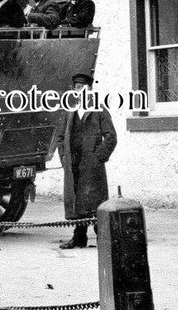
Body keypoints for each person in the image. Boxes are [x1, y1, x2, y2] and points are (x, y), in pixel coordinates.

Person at [58, 72, 117, 249]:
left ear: (90, 90)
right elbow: (61, 138)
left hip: (92, 165)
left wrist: (98, 157)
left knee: (94, 201)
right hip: (73, 163)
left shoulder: (99, 111)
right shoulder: (69, 112)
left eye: (84, 88)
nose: (80, 91)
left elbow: (111, 137)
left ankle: (102, 238)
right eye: (77, 88)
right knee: (78, 200)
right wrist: (64, 159)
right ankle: (79, 237)